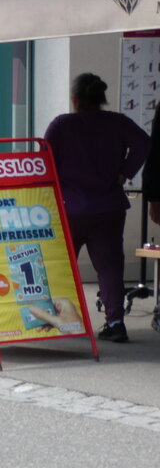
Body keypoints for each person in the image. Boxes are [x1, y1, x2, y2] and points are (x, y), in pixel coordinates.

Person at [44, 72, 150, 342]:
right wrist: (125, 172)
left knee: (60, 265)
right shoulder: (118, 122)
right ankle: (115, 323)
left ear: (75, 99)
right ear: (101, 98)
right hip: (109, 207)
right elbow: (144, 143)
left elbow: (43, 159)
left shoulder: (61, 125)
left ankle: (60, 320)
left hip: (70, 208)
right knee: (110, 267)